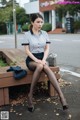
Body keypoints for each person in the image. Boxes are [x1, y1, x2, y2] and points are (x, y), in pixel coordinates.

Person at [22, 13, 68, 112]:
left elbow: (47, 48)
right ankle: (30, 95)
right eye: (38, 22)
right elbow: (27, 51)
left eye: (41, 22)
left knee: (45, 67)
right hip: (31, 60)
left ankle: (61, 96)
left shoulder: (44, 33)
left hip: (42, 58)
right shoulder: (27, 35)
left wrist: (43, 59)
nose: (40, 24)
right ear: (32, 22)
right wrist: (37, 60)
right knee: (39, 66)